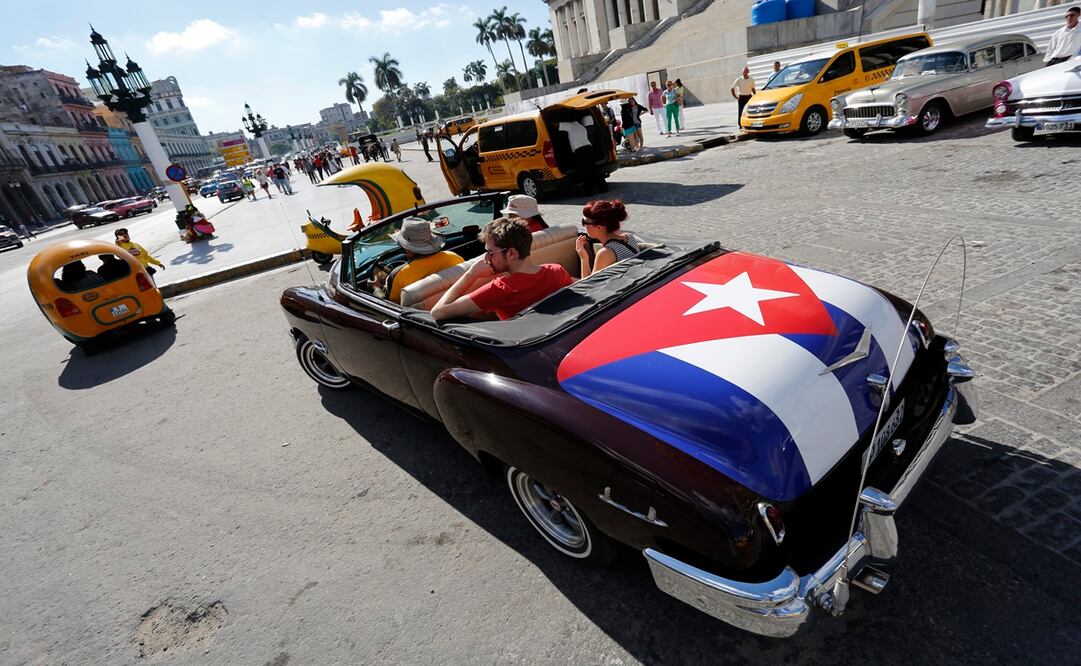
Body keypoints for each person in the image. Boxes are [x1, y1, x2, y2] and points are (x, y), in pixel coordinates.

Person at [431, 218, 573, 322]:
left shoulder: (500, 289)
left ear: (511, 253)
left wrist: (471, 274)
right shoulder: (557, 271)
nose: (486, 258)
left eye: (490, 253)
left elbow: (437, 313)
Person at [385, 217, 464, 304]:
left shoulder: (400, 274)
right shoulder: (453, 257)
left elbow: (393, 305)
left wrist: (376, 287)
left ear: (409, 250)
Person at [575, 199, 640, 278]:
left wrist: (583, 258)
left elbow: (589, 287)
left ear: (599, 227)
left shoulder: (605, 253)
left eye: (584, 222)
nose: (584, 226)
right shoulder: (629, 237)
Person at [559, 115, 605, 193]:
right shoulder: (581, 127)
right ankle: (603, 186)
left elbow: (557, 125)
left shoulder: (570, 126)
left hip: (580, 152)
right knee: (593, 169)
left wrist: (550, 121)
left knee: (584, 171)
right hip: (588, 149)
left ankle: (588, 190)